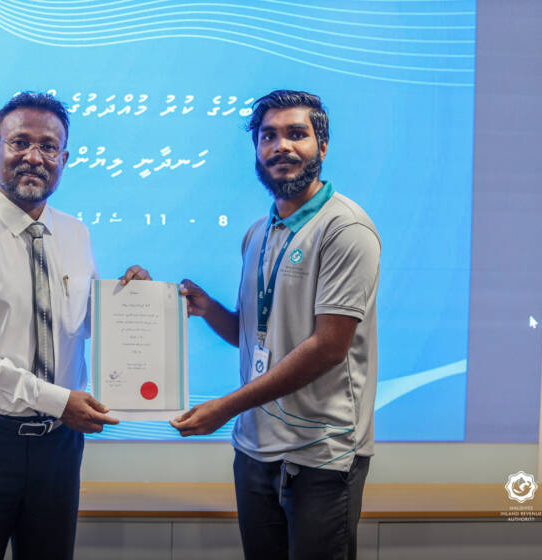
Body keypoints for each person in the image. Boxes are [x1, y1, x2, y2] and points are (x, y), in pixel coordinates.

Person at [0, 91, 149, 560]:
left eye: (48, 146)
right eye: (20, 142)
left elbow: (79, 323)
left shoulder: (75, 233)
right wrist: (56, 400)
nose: (34, 156)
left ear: (63, 160)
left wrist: (134, 303)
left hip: (58, 449)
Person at [172, 90, 380, 560]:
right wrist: (208, 309)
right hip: (254, 451)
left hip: (321, 457)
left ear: (322, 146)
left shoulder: (345, 228)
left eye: (296, 134)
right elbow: (254, 336)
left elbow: (328, 347)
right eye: (268, 136)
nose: (280, 146)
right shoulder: (258, 233)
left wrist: (224, 408)